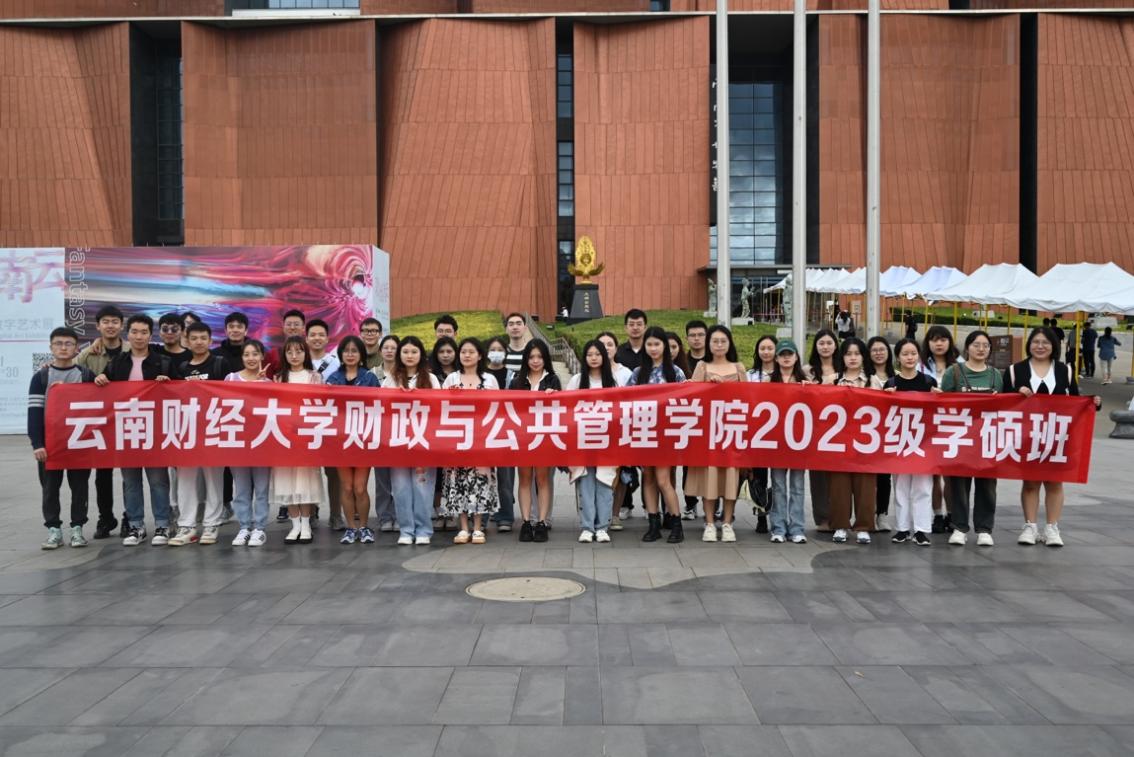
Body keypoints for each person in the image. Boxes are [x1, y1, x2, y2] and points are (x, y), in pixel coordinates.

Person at [1004, 327, 1100, 548]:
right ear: (1029, 344)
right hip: (1027, 436)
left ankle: (1052, 527)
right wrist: (1017, 393)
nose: (1040, 346)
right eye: (1036, 342)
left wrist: (1093, 402)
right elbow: (1003, 400)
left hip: (1057, 436)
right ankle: (1030, 526)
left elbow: (1075, 401)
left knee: (1055, 483)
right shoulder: (1015, 370)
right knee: (1030, 483)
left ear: (1054, 346)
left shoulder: (1065, 370)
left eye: (1045, 342)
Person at [94, 314, 174, 546]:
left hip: (155, 431)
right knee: (130, 482)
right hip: (127, 431)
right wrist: (100, 378)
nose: (139, 336)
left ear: (150, 335)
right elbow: (102, 389)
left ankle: (162, 524)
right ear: (127, 334)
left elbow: (179, 393)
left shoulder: (163, 362)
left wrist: (168, 383)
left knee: (158, 480)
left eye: (144, 332)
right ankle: (136, 526)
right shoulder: (117, 362)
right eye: (135, 332)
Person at [30, 327, 95, 549]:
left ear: (77, 348)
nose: (63, 348)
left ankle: (77, 529)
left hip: (79, 442)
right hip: (50, 444)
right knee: (50, 488)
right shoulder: (41, 377)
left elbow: (100, 404)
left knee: (80, 488)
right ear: (51, 347)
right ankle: (54, 530)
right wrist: (37, 444)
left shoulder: (86, 375)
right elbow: (34, 412)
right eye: (58, 343)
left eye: (68, 344)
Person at [167, 321, 230, 547]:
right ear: (187, 341)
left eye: (203, 338)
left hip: (213, 430)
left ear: (210, 340)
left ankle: (212, 523)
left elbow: (232, 394)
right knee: (185, 480)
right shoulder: (182, 367)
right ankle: (187, 525)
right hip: (187, 432)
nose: (199, 342)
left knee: (214, 480)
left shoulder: (220, 364)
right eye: (194, 338)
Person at [941, 330, 1002, 548]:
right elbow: (941, 403)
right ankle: (959, 527)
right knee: (958, 484)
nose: (981, 349)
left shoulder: (996, 375)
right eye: (976, 345)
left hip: (987, 439)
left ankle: (984, 529)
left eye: (985, 345)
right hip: (960, 438)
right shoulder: (954, 372)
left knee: (987, 485)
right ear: (967, 348)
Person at [686, 325, 746, 544]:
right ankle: (710, 523)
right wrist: (706, 386)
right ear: (709, 344)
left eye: (723, 341)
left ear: (729, 343)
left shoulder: (738, 367)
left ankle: (728, 523)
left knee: (730, 479)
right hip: (709, 433)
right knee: (709, 480)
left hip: (732, 431)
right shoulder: (702, 366)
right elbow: (692, 397)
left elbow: (748, 398)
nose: (719, 345)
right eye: (715, 341)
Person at [383, 336, 442, 545]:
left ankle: (424, 529)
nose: (409, 356)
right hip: (398, 441)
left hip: (423, 440)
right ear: (399, 354)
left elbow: (439, 408)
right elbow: (381, 408)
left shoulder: (431, 379)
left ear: (421, 355)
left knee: (422, 486)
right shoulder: (391, 379)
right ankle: (406, 530)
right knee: (400, 488)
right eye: (406, 352)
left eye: (414, 352)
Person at [441, 338, 500, 545]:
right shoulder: (451, 379)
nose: (467, 355)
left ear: (480, 355)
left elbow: (498, 408)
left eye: (471, 352)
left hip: (481, 438)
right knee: (458, 482)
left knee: (480, 483)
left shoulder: (490, 379)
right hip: (457, 438)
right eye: (463, 352)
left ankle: (478, 527)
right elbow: (440, 407)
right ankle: (463, 527)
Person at [630, 326, 686, 543]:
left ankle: (676, 522)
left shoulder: (676, 372)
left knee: (664, 480)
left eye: (657, 344)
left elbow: (685, 402)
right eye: (649, 344)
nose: (653, 348)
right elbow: (625, 401)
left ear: (665, 346)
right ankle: (653, 523)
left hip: (666, 435)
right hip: (644, 432)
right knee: (649, 478)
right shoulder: (638, 373)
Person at [824, 338, 882, 544]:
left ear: (863, 356)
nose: (853, 358)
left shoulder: (873, 381)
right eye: (848, 354)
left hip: (865, 442)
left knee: (866, 486)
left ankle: (864, 526)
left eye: (857, 354)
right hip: (838, 441)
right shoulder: (832, 380)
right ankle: (840, 525)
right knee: (839, 486)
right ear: (842, 357)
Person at [884, 338, 941, 547]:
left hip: (924, 441)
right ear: (898, 357)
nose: (910, 357)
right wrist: (886, 397)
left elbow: (937, 411)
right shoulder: (891, 383)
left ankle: (921, 530)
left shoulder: (928, 382)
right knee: (900, 486)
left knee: (923, 486)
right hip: (900, 441)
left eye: (913, 353)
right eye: (905, 354)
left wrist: (939, 397)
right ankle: (902, 528)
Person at [326, 335, 381, 544]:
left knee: (360, 487)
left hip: (363, 439)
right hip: (341, 440)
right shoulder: (333, 379)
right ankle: (350, 528)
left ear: (361, 354)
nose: (350, 354)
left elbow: (379, 408)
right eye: (346, 351)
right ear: (341, 354)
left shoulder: (370, 378)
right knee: (347, 487)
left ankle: (364, 527)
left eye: (354, 351)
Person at [76, 304, 125, 539]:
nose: (110, 326)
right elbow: (69, 370)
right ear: (98, 326)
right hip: (100, 422)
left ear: (122, 326)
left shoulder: (133, 350)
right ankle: (106, 518)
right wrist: (48, 367)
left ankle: (130, 518)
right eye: (106, 322)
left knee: (130, 473)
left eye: (115, 322)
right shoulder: (88, 354)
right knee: (102, 473)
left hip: (128, 420)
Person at [272, 336, 324, 545]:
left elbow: (320, 405)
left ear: (305, 353)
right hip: (283, 437)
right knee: (287, 483)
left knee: (305, 482)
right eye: (290, 352)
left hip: (306, 437)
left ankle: (306, 524)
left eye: (299, 351)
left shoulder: (315, 377)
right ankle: (294, 525)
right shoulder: (278, 378)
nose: (294, 356)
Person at [509, 339, 561, 543]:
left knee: (542, 479)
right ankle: (526, 522)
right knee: (524, 479)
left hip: (544, 437)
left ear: (545, 358)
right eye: (531, 357)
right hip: (523, 438)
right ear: (526, 359)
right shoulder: (516, 381)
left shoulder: (553, 380)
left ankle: (541, 522)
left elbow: (560, 408)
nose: (536, 360)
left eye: (540, 356)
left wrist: (553, 396)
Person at [567, 340, 618, 543]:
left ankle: (602, 526)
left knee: (604, 482)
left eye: (597, 354)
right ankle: (587, 526)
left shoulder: (612, 382)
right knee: (586, 484)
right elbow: (566, 409)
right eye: (590, 354)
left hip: (606, 441)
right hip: (583, 440)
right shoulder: (577, 380)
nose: (594, 358)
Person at [224, 340, 272, 547]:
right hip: (237, 442)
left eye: (255, 354)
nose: (251, 358)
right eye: (247, 354)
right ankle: (244, 526)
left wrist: (263, 385)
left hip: (262, 443)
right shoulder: (231, 378)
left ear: (262, 356)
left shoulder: (269, 382)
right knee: (241, 488)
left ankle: (259, 528)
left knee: (261, 488)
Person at [920, 325, 961, 533]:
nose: (939, 343)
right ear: (928, 343)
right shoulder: (919, 365)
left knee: (950, 475)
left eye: (943, 339)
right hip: (927, 425)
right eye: (934, 339)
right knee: (933, 474)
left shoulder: (960, 365)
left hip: (952, 424)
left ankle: (951, 514)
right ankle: (937, 514)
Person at [768, 339, 808, 543]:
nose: (786, 358)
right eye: (782, 354)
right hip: (776, 441)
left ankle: (797, 527)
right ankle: (778, 527)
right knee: (778, 486)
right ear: (776, 358)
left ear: (796, 357)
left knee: (798, 486)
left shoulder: (805, 381)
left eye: (789, 354)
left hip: (799, 441)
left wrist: (810, 390)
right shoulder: (769, 382)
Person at [806, 329, 841, 532]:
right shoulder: (808, 370)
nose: (825, 347)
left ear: (835, 345)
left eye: (829, 343)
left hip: (841, 431)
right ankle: (823, 518)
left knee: (838, 477)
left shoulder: (844, 368)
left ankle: (840, 516)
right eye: (821, 343)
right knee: (818, 478)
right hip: (816, 431)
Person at [745, 334, 779, 534]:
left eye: (770, 348)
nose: (766, 352)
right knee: (759, 477)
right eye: (762, 348)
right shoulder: (750, 375)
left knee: (778, 477)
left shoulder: (785, 374)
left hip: (780, 432)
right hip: (757, 432)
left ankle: (778, 514)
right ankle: (761, 515)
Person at [483, 336, 515, 534]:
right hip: (484, 430)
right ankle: (483, 516)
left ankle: (505, 516)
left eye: (500, 349)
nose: (496, 352)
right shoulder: (481, 376)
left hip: (505, 429)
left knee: (505, 477)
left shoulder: (512, 375)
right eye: (492, 349)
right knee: (484, 476)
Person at [371, 333, 400, 533]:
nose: (389, 351)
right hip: (379, 433)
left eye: (393, 348)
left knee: (399, 478)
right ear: (380, 351)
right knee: (382, 479)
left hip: (399, 432)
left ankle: (399, 514)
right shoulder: (372, 374)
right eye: (386, 348)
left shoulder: (404, 374)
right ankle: (384, 516)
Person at [866, 336, 895, 532]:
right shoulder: (864, 377)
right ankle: (867, 513)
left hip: (889, 432)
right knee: (867, 477)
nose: (878, 353)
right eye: (874, 350)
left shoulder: (897, 376)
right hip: (868, 433)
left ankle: (882, 514)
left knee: (885, 477)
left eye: (882, 349)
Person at [503, 312, 527, 381]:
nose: (515, 327)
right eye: (511, 324)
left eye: (519, 324)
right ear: (506, 329)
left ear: (525, 328)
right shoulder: (502, 352)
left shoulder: (532, 351)